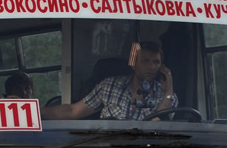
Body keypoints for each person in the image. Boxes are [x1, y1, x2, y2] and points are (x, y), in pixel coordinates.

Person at [42, 41, 176, 121]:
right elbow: (72, 111)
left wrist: (168, 90)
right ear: (133, 64)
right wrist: (34, 112)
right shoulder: (109, 86)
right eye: (145, 61)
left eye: (156, 62)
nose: (151, 67)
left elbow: (160, 124)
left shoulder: (168, 98)